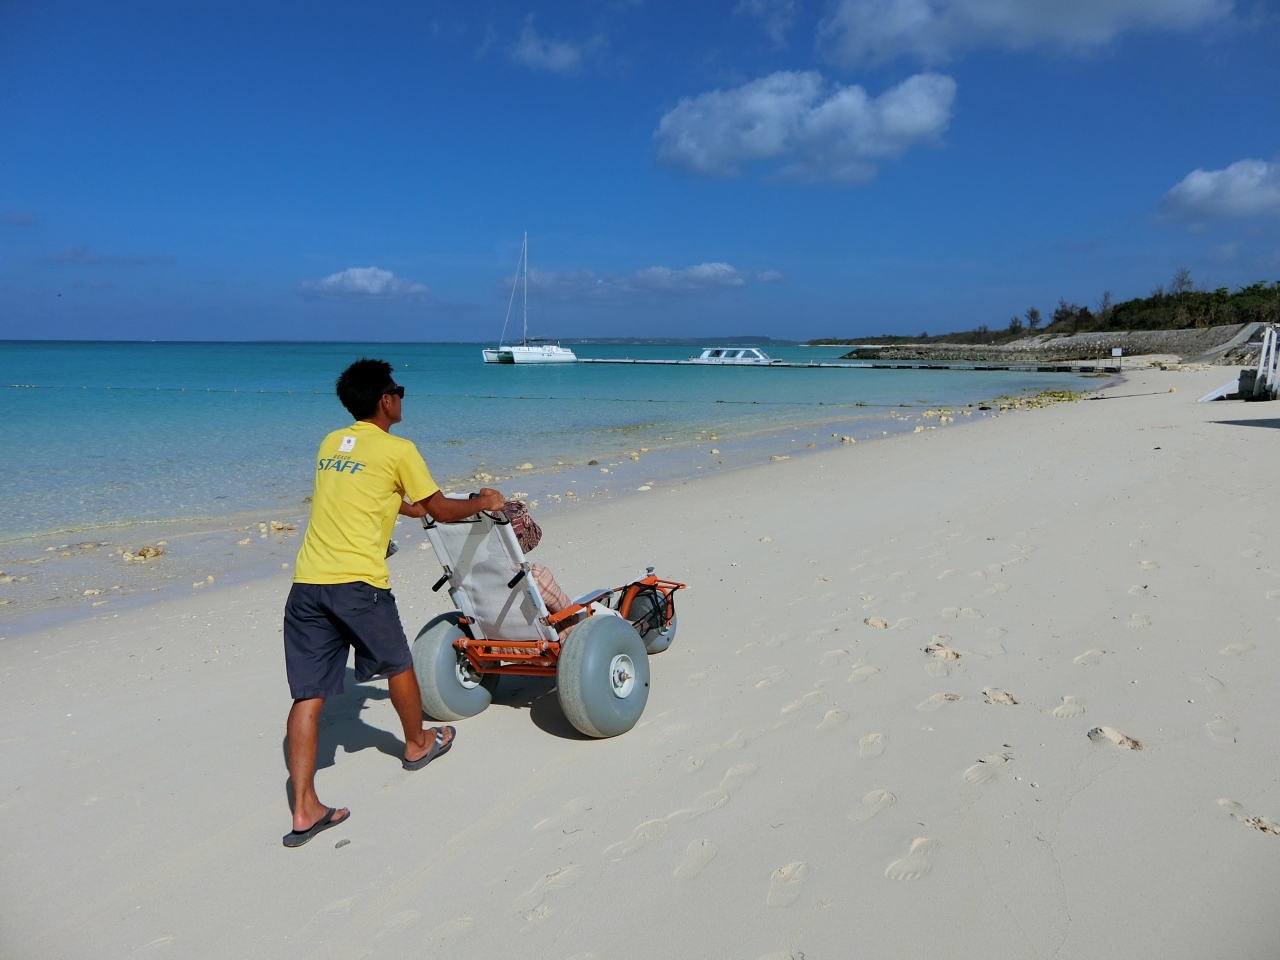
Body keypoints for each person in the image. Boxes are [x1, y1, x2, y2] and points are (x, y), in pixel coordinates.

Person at [281, 358, 503, 848]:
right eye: (398, 390)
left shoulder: (329, 444)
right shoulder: (398, 449)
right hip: (357, 585)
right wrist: (484, 501)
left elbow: (363, 492)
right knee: (399, 662)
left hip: (306, 586)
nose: (401, 397)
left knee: (307, 695)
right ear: (387, 400)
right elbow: (443, 509)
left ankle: (303, 810)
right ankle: (418, 744)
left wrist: (407, 505)